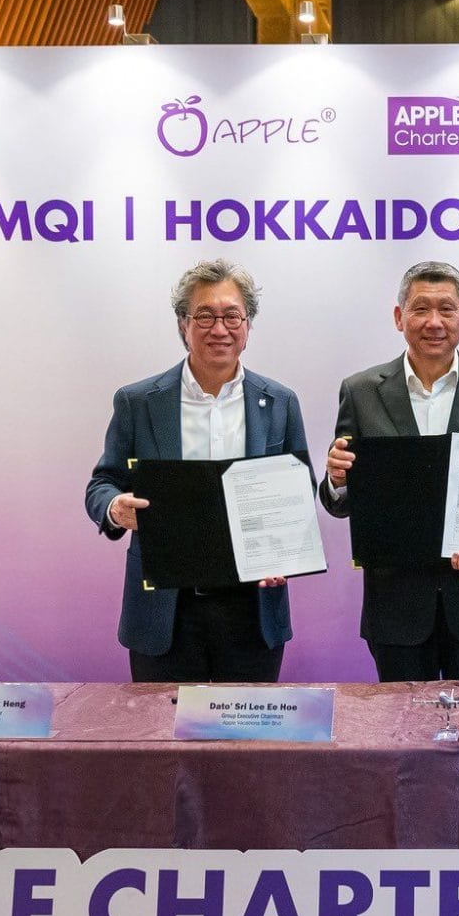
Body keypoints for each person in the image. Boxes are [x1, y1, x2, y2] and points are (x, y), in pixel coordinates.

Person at [85, 260, 310, 682]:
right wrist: (115, 507)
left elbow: (298, 492)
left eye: (232, 316)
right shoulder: (139, 402)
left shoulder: (280, 402)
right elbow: (102, 483)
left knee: (249, 725)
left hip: (252, 609)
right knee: (161, 727)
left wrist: (284, 551)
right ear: (183, 325)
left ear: (248, 326)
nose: (219, 329)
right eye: (205, 316)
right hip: (165, 612)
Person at [320, 261, 459, 681]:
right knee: (402, 723)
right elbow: (341, 502)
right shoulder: (360, 391)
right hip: (396, 608)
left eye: (446, 309)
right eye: (420, 309)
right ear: (400, 317)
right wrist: (338, 480)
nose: (434, 322)